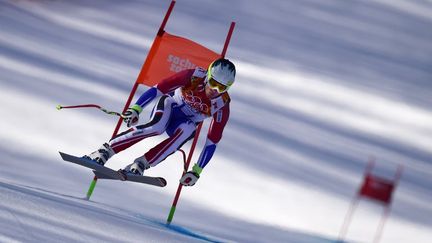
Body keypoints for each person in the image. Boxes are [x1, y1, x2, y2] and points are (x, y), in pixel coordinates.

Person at [84, 58, 236, 186]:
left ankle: (142, 163)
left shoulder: (222, 104)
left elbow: (212, 141)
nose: (215, 89)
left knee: (189, 129)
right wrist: (137, 108)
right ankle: (105, 151)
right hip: (170, 106)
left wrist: (197, 171)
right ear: (207, 75)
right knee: (157, 127)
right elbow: (160, 88)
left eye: (222, 87)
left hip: (183, 123)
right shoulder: (194, 76)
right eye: (213, 82)